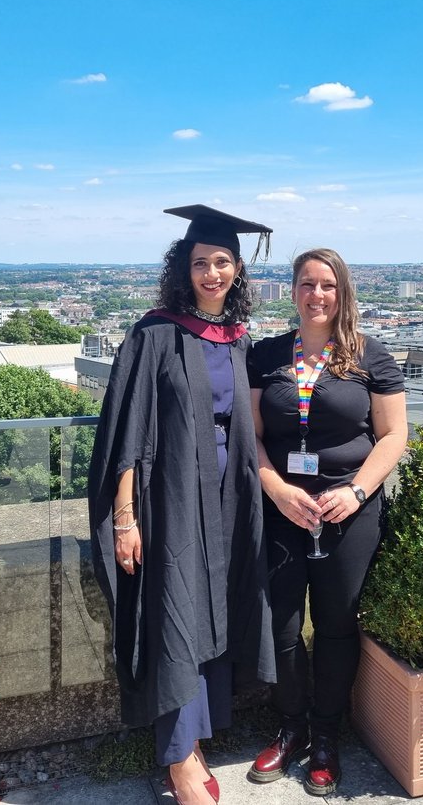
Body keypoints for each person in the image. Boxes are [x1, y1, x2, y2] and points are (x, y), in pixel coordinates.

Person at [88, 205, 276, 805]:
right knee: (176, 611)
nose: (211, 273)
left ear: (238, 269)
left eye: (222, 262)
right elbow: (127, 431)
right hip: (169, 498)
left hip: (228, 496)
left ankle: (198, 738)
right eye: (200, 263)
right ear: (184, 269)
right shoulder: (155, 334)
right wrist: (124, 518)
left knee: (213, 609)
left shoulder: (238, 339)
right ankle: (179, 759)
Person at [247, 248, 408, 796]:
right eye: (307, 284)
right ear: (292, 290)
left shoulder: (370, 355)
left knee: (337, 625)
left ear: (343, 293)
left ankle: (325, 736)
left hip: (348, 511)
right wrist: (277, 489)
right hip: (281, 508)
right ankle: (290, 728)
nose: (317, 295)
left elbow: (393, 435)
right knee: (282, 624)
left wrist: (357, 491)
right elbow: (251, 436)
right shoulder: (266, 354)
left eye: (328, 285)